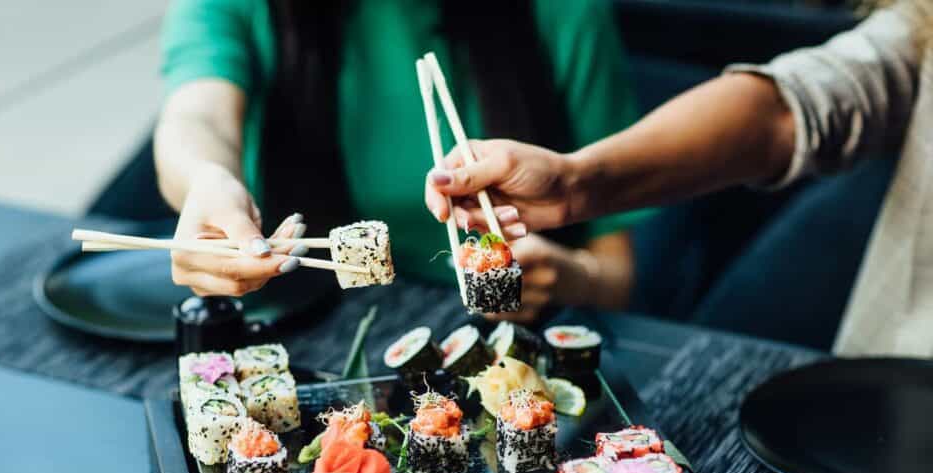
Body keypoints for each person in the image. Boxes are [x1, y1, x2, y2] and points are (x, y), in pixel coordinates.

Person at [425, 1, 933, 357]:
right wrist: (571, 184)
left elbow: (617, 278)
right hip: (885, 389)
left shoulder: (561, 17)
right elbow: (794, 108)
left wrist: (577, 268)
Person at [154, 0, 651, 320]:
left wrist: (571, 277)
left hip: (507, 340)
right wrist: (206, 180)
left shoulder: (564, 12)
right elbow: (198, 117)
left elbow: (616, 276)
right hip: (300, 320)